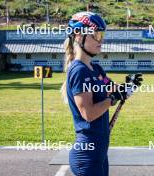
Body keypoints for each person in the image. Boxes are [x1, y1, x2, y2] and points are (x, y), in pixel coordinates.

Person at [60, 12, 142, 176]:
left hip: (100, 154)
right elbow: (88, 114)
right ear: (78, 35)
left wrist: (127, 87)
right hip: (87, 157)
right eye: (96, 34)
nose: (101, 39)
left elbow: (113, 89)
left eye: (102, 34)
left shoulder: (96, 69)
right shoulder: (79, 71)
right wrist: (112, 99)